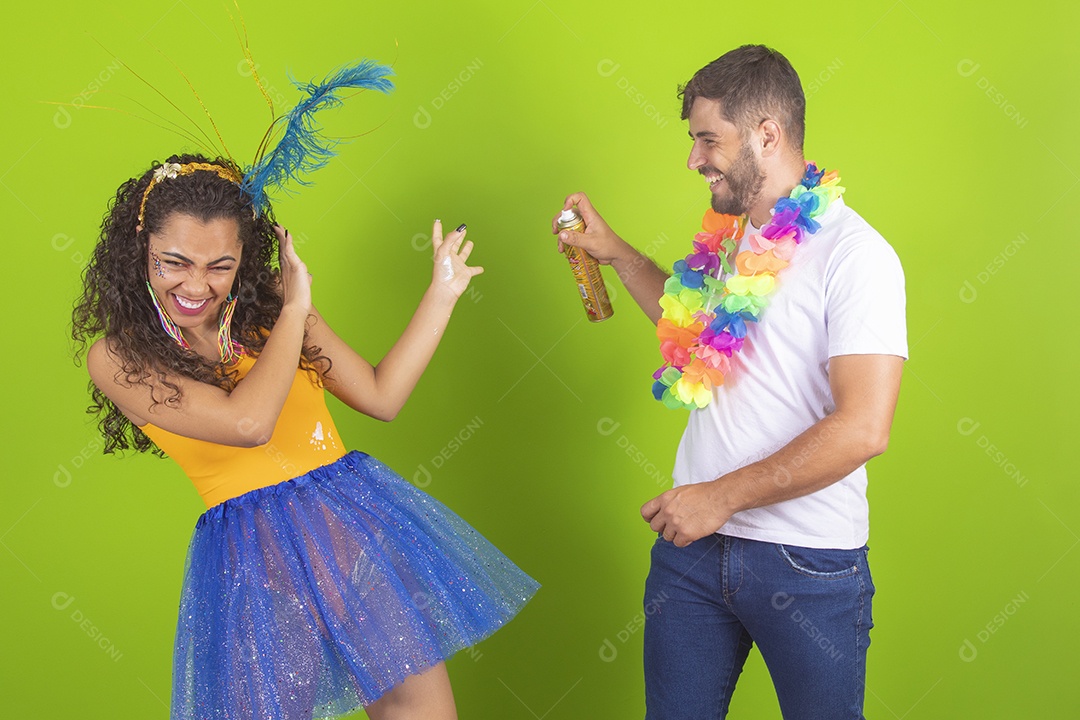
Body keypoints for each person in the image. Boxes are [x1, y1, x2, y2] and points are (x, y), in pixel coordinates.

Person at [73, 153, 538, 720]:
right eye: (174, 262)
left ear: (245, 256)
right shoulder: (120, 357)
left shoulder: (265, 306)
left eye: (220, 265)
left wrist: (442, 293)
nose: (196, 285)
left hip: (353, 534)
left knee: (418, 711)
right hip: (256, 564)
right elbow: (247, 424)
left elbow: (380, 396)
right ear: (140, 245)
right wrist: (295, 308)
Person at [553, 45, 906, 719]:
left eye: (708, 139)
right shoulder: (735, 237)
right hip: (693, 556)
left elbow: (865, 428)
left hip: (807, 563)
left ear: (767, 134)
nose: (694, 159)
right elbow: (698, 332)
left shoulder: (857, 256)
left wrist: (720, 497)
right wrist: (616, 253)